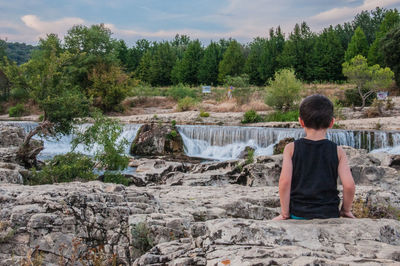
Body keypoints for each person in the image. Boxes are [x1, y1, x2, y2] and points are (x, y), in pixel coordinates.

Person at [273, 94, 355, 220]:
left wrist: (285, 213)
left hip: (299, 213)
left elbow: (284, 182)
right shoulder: (338, 151)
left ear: (301, 121)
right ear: (331, 122)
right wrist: (345, 210)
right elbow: (349, 185)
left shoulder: (291, 148)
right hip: (329, 214)